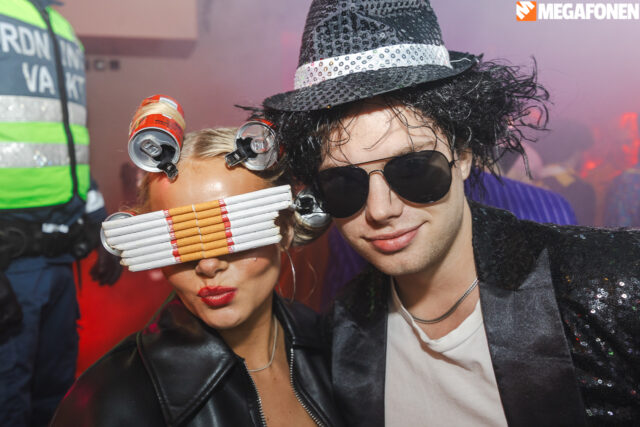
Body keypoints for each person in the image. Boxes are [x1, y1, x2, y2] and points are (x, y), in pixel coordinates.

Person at [263, 0, 640, 425]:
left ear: (462, 156)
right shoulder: (341, 336)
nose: (381, 209)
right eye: (344, 184)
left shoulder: (612, 284)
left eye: (413, 169)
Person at [50, 128, 343, 426]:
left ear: (286, 229)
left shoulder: (340, 349)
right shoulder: (109, 398)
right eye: (180, 240)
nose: (208, 265)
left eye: (235, 231)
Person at [0, 1, 120, 426]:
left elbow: (71, 153)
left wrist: (100, 225)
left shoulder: (65, 31)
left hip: (59, 258)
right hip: (9, 260)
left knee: (55, 397)